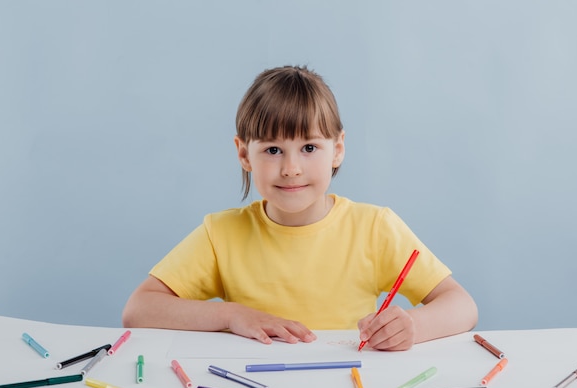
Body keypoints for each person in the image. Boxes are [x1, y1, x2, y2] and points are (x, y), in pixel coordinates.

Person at [122, 65, 478, 351]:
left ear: (337, 148)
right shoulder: (222, 233)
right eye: (273, 150)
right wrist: (232, 316)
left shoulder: (374, 227)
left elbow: (462, 305)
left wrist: (412, 326)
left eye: (309, 147)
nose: (291, 168)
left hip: (350, 387)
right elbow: (139, 309)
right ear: (244, 153)